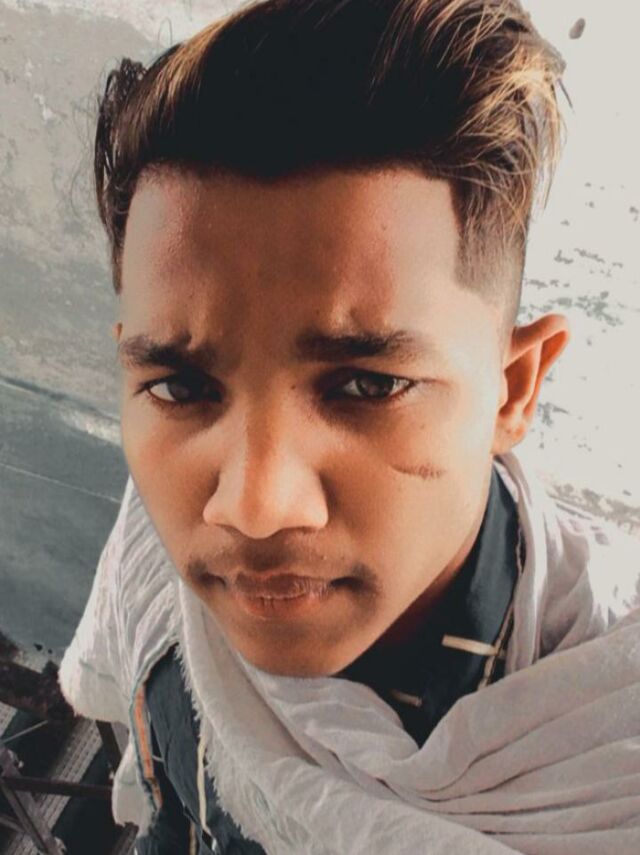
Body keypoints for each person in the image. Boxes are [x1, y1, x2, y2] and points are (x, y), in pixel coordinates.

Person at [58, 1, 640, 852]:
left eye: (368, 385)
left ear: (513, 390)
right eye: (182, 386)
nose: (251, 508)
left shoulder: (609, 768)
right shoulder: (152, 554)